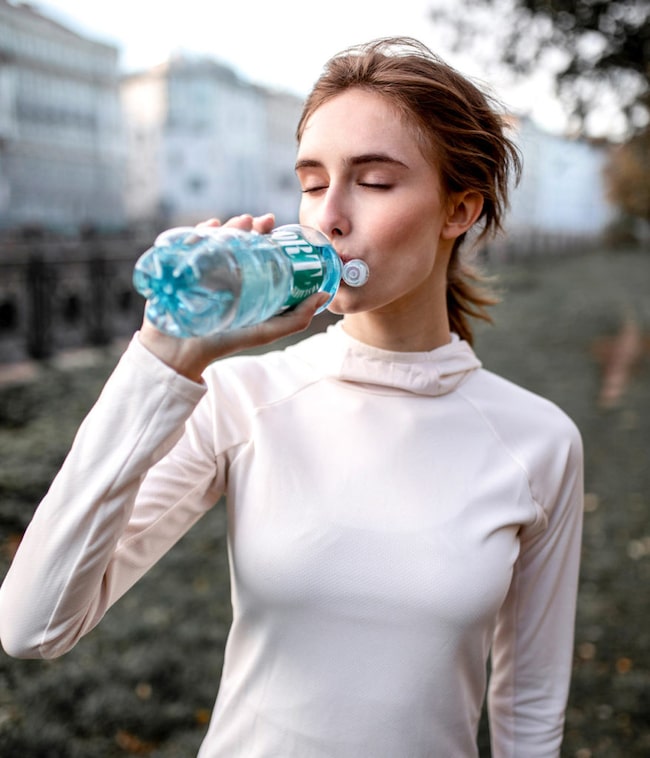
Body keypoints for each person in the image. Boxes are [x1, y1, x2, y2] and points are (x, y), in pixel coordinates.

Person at [0, 37, 583, 757]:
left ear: (457, 210)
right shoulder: (242, 396)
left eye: (373, 182)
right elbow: (33, 627)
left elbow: (528, 708)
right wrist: (163, 364)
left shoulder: (537, 441)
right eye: (311, 183)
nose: (329, 217)